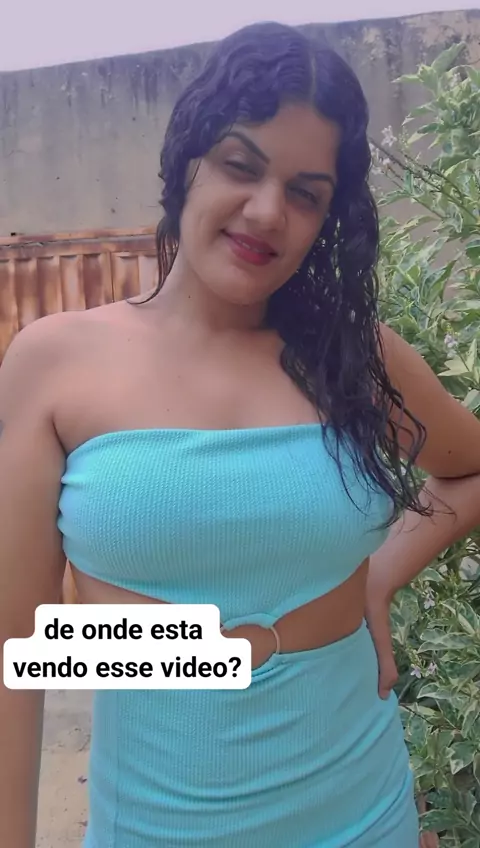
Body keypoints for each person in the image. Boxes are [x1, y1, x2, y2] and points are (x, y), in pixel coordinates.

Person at [1, 20, 479, 848]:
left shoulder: (355, 360)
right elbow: (21, 646)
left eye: (306, 193)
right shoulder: (53, 362)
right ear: (187, 160)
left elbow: (467, 469)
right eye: (240, 165)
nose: (267, 212)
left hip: (364, 817)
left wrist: (375, 578)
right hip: (153, 830)